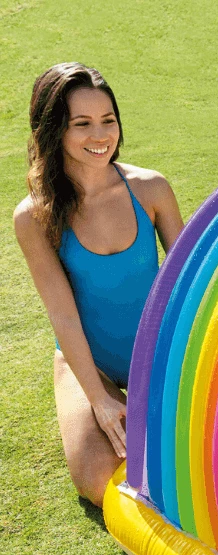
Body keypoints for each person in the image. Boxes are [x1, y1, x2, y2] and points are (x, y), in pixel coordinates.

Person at [13, 63, 183, 507]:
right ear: (54, 131)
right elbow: (63, 315)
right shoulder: (34, 216)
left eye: (108, 120)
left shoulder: (150, 189)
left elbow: (192, 283)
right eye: (82, 124)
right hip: (91, 362)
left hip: (158, 354)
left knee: (186, 458)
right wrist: (99, 401)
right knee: (99, 481)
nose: (100, 135)